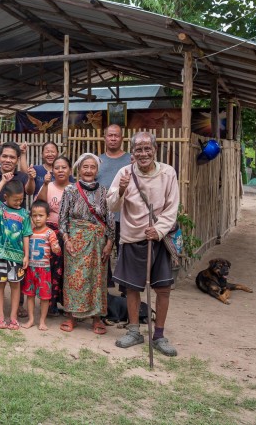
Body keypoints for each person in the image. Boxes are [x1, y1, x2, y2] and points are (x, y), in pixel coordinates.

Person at [107, 131, 180, 357]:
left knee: (163, 287)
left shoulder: (168, 173)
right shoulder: (124, 172)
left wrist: (157, 230)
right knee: (131, 288)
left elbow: (172, 207)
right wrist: (121, 189)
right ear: (133, 152)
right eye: (138, 149)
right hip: (132, 237)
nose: (143, 153)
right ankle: (134, 330)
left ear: (155, 150)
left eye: (147, 148)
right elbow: (112, 205)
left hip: (158, 238)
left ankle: (158, 335)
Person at [57, 153, 114, 335]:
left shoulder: (104, 191)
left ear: (97, 170)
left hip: (98, 241)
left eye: (92, 167)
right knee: (74, 278)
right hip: (75, 240)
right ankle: (71, 315)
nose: (89, 170)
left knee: (97, 279)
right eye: (85, 167)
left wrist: (109, 243)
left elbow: (110, 219)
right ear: (79, 170)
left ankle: (96, 317)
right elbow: (62, 219)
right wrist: (66, 240)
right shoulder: (70, 190)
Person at [0, 142, 35, 317]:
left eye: (12, 157)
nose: (8, 160)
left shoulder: (23, 177)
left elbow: (31, 191)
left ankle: (17, 305)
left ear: (18, 159)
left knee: (17, 272)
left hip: (17, 231)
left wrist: (31, 178)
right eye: (5, 156)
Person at [0, 174, 31, 330]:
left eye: (21, 199)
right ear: (6, 197)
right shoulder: (0, 209)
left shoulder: (25, 214)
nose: (19, 202)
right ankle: (0, 317)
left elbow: (26, 235)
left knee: (15, 286)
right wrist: (4, 181)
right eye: (15, 200)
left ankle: (13, 317)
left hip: (17, 256)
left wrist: (26, 255)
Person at [37, 155, 72, 316]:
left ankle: (68, 304)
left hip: (70, 235)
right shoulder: (48, 186)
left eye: (64, 167)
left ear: (70, 170)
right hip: (49, 234)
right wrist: (44, 184)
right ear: (52, 170)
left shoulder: (75, 188)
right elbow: (40, 206)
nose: (60, 170)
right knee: (50, 269)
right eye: (57, 167)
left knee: (67, 269)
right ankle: (50, 304)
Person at [97, 124, 132, 286]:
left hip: (126, 216)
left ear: (122, 139)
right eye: (110, 135)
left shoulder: (131, 159)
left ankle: (126, 289)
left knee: (125, 253)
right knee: (103, 253)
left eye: (116, 136)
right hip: (103, 217)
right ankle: (106, 289)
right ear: (104, 138)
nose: (113, 139)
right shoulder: (97, 161)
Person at [23, 200, 60, 330]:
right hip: (31, 269)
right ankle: (31, 319)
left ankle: (42, 321)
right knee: (30, 295)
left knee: (45, 297)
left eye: (41, 215)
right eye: (34, 215)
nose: (37, 218)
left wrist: (56, 247)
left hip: (44, 269)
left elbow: (56, 248)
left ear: (47, 216)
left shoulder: (50, 232)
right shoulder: (29, 232)